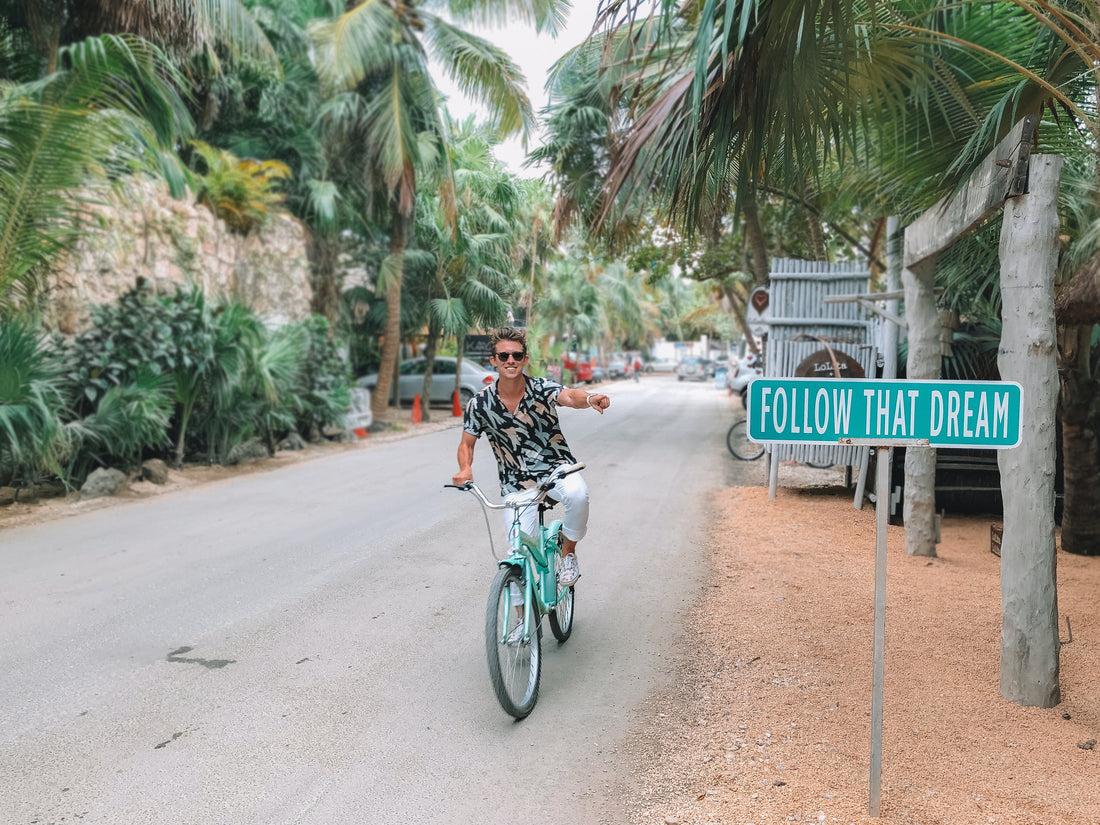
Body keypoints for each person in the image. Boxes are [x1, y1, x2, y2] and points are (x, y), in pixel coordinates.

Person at [452, 327, 610, 587]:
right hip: (516, 482)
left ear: (525, 359)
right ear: (493, 360)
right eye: (503, 356)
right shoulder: (479, 404)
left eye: (516, 355)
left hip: (556, 468)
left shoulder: (541, 388)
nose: (510, 360)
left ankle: (568, 552)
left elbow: (570, 396)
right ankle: (519, 625)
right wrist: (464, 469)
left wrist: (591, 398)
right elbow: (466, 444)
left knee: (577, 495)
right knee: (518, 557)